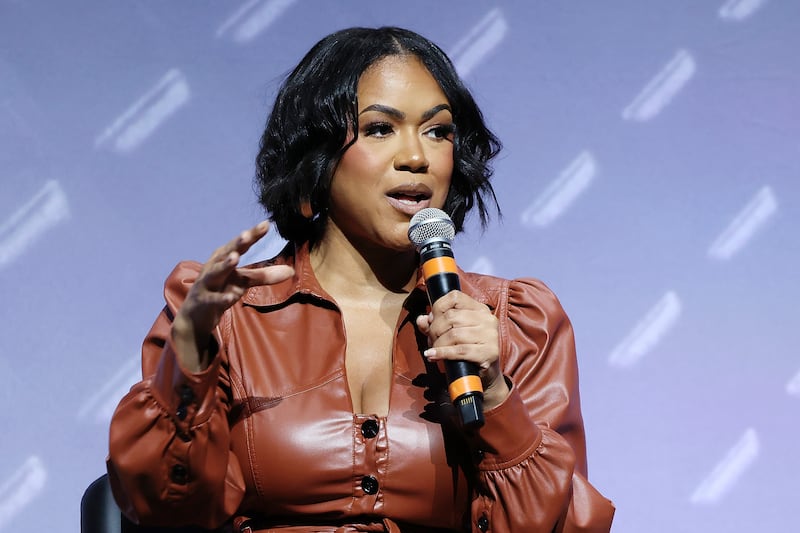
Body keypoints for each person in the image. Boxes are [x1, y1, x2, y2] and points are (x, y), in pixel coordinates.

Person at [106, 26, 615, 533]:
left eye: (437, 131)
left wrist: (498, 395)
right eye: (379, 129)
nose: (416, 156)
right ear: (318, 155)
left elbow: (563, 525)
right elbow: (167, 510)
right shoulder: (228, 317)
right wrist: (190, 357)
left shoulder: (514, 319)